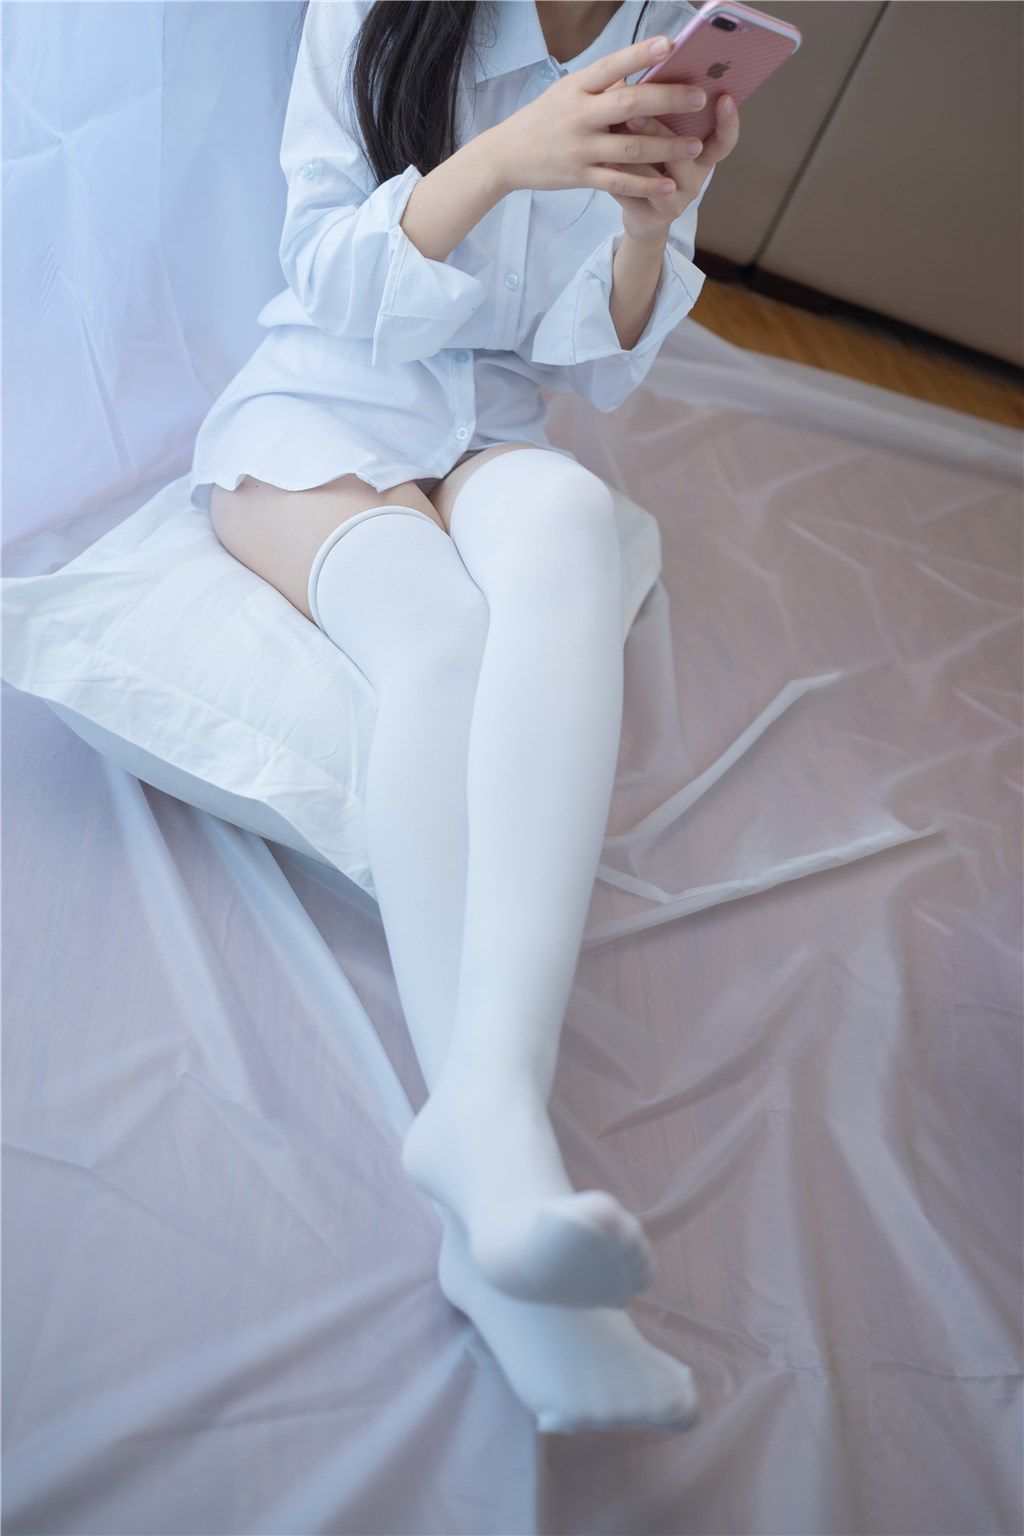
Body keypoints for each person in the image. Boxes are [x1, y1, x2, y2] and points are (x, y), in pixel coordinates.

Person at [188, 0, 739, 1434]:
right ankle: (505, 1194)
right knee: (437, 635)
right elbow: (320, 269)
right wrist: (505, 157)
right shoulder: (378, 11)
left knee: (569, 522)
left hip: (492, 424)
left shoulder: (666, 31)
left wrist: (645, 230)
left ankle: (484, 1130)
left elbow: (595, 365)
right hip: (320, 412)